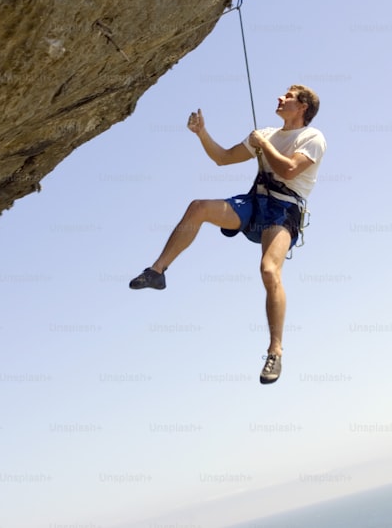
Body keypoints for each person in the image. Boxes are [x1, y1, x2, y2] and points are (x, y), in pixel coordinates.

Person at [129, 84, 326, 385]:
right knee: (198, 208)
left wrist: (263, 144)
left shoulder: (312, 138)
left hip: (283, 209)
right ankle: (157, 272)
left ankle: (275, 350)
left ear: (303, 108)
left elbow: (288, 171)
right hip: (255, 201)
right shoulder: (265, 134)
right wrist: (202, 134)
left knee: (269, 270)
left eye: (288, 97)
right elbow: (222, 158)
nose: (280, 98)